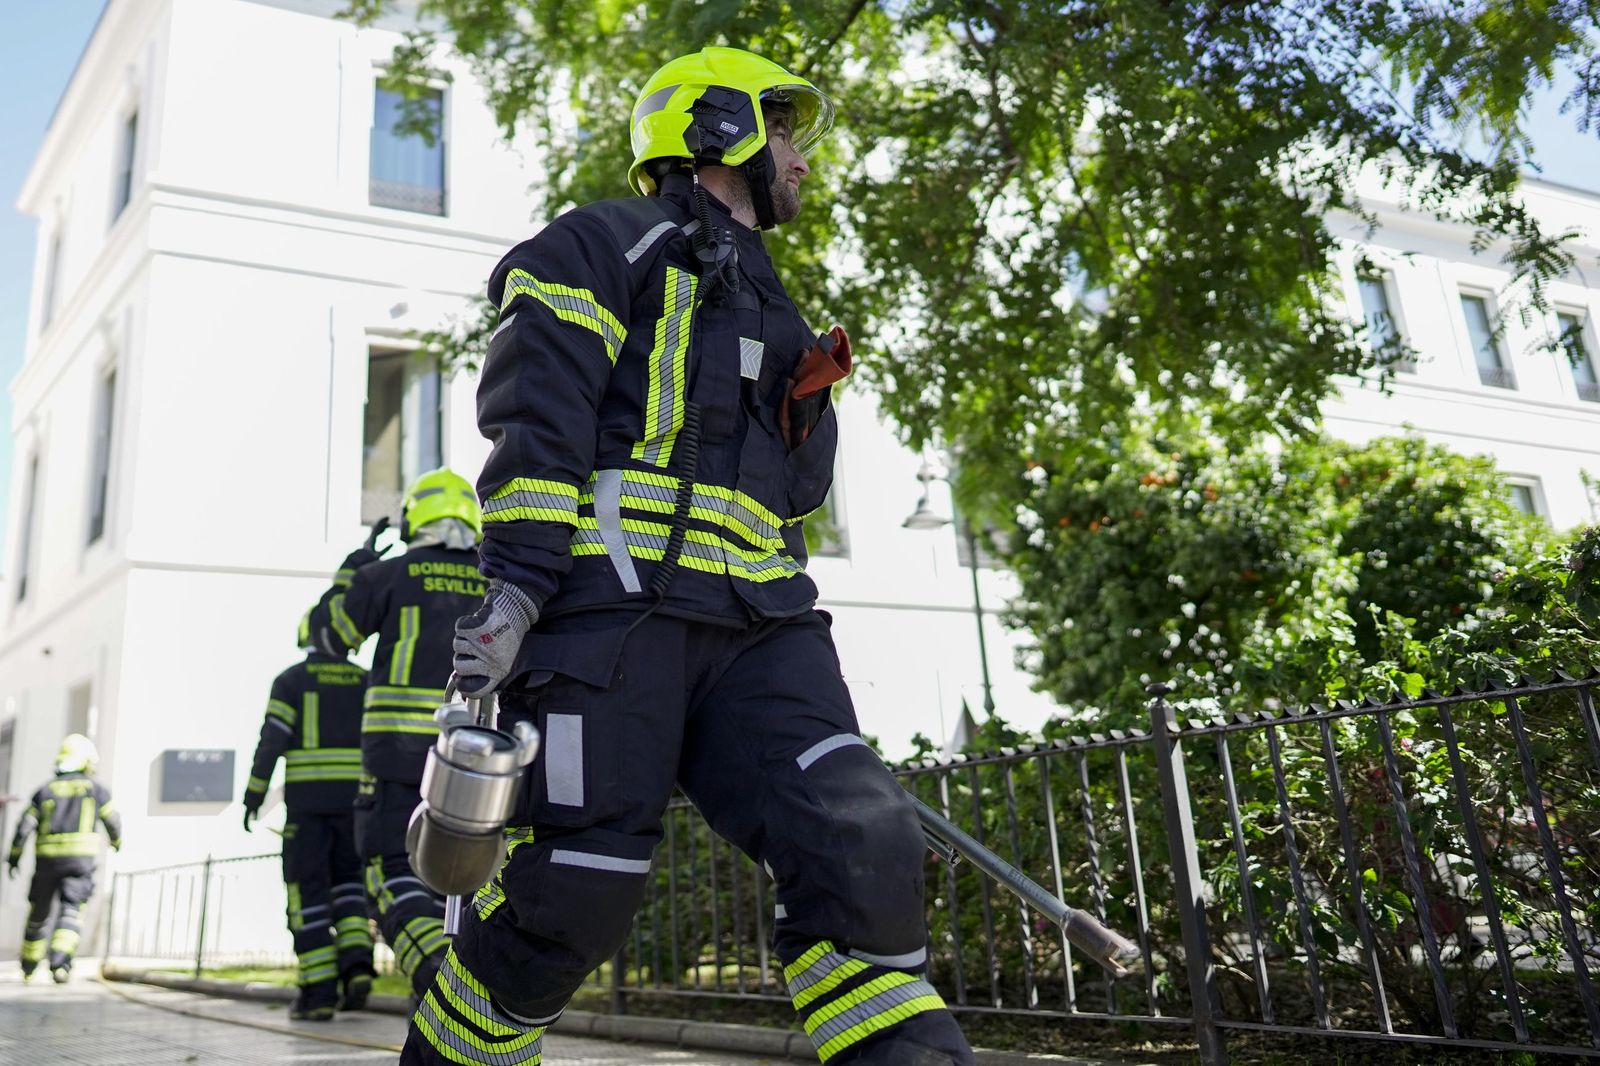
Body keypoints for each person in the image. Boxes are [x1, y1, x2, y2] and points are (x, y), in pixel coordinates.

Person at [402, 46, 974, 1066]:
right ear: (721, 126)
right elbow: (539, 422)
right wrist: (518, 591)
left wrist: (809, 406)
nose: (801, 159)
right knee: (571, 894)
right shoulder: (592, 246)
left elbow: (795, 500)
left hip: (765, 631)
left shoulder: (782, 311)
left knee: (862, 842)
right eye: (784, 130)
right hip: (606, 623)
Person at [307, 469, 486, 1001]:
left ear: (414, 517)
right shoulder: (497, 576)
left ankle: (433, 966)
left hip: (397, 757)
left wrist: (351, 571)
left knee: (392, 869)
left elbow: (328, 638)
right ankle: (461, 990)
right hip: (480, 760)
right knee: (469, 875)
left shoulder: (388, 574)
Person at [243, 610, 376, 1019]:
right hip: (355, 806)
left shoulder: (291, 681)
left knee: (308, 895)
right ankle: (357, 967)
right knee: (351, 886)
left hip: (308, 809)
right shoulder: (363, 679)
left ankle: (318, 994)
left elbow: (273, 740)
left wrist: (255, 793)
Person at [7, 734, 122, 983]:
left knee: (39, 912)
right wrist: (116, 842)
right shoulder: (96, 790)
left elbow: (23, 828)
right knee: (71, 912)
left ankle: (28, 965)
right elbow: (112, 820)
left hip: (46, 863)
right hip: (79, 863)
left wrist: (13, 858)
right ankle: (60, 964)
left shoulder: (45, 791)